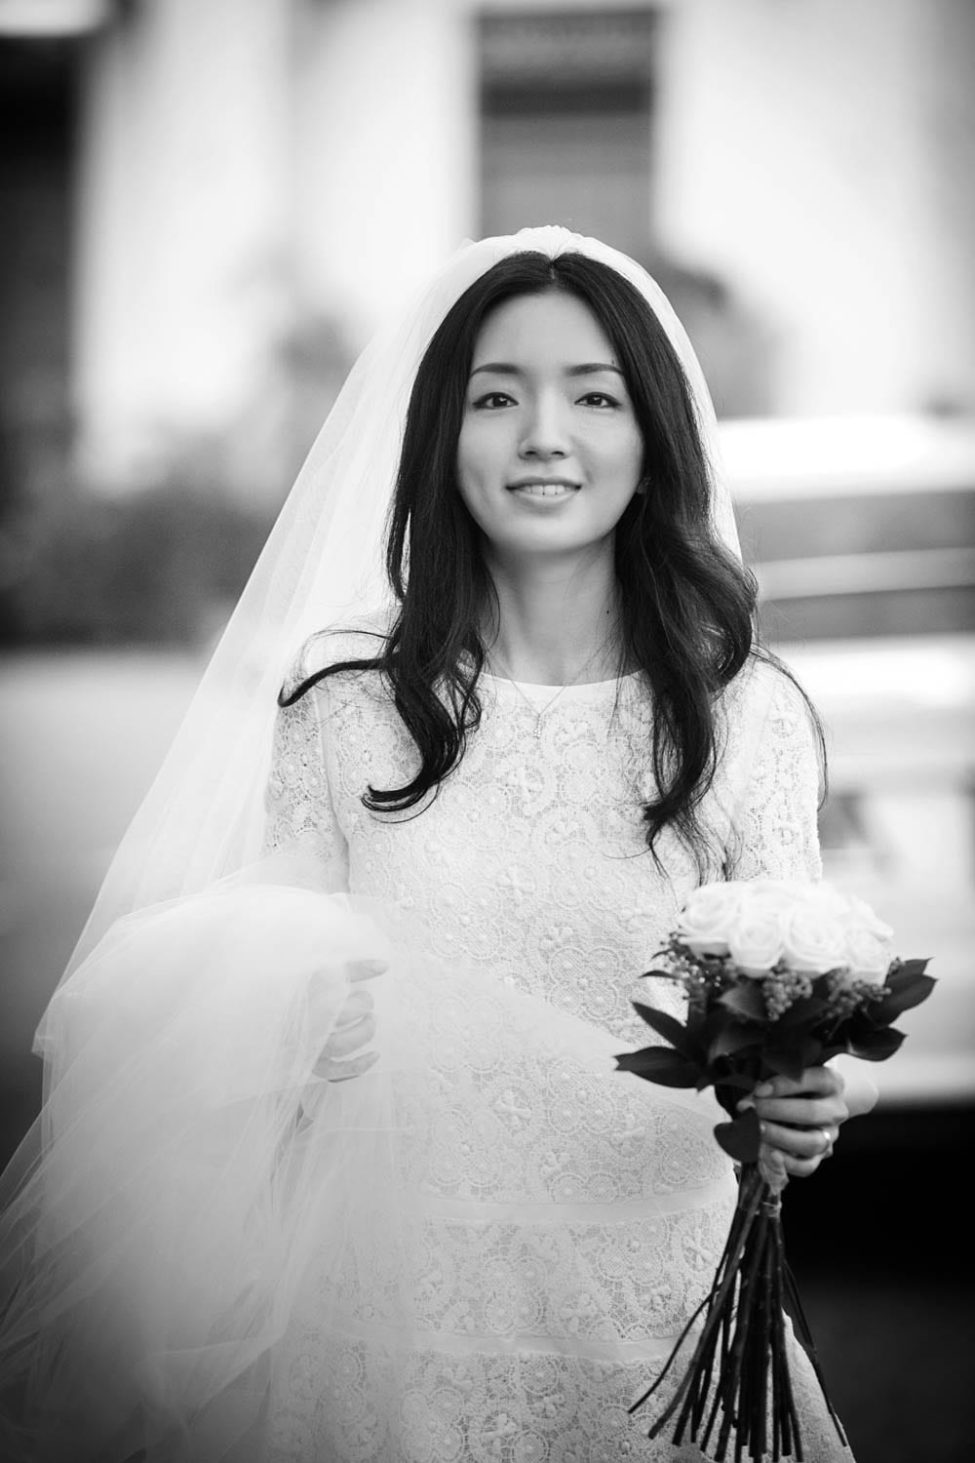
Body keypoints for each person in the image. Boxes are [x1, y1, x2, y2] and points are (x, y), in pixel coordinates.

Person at [0, 226, 876, 1462]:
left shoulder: (746, 715)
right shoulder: (344, 696)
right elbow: (263, 975)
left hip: (653, 1308)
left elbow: (806, 1008)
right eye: (497, 398)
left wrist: (810, 1102)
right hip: (390, 1316)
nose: (544, 436)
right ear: (438, 436)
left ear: (654, 435)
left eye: (594, 396)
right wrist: (294, 1028)